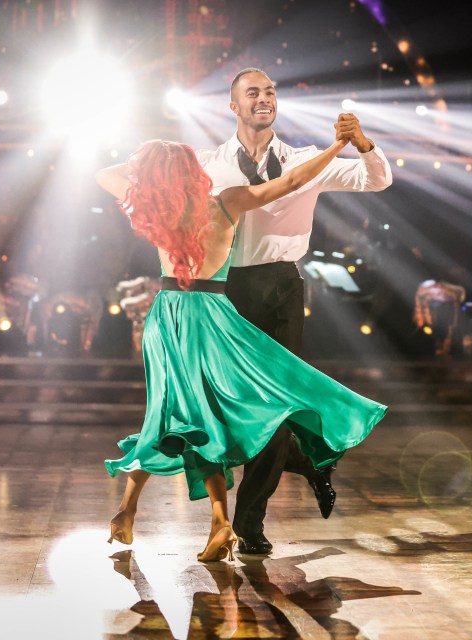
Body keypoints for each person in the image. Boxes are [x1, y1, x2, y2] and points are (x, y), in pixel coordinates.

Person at [95, 129, 386, 562]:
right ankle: (216, 521)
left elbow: (105, 173)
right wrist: (336, 147)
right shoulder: (225, 202)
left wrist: (153, 162)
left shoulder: (151, 204)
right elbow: (287, 183)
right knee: (199, 420)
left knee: (171, 417)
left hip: (166, 318)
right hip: (209, 316)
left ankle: (134, 512)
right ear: (194, 173)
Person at [196, 68, 393, 555]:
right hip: (223, 291)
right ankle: (308, 461)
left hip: (282, 287)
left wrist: (363, 143)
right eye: (252, 93)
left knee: (278, 411)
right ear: (233, 106)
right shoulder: (209, 164)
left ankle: (249, 522)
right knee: (227, 413)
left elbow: (377, 180)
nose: (263, 98)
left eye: (269, 92)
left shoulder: (308, 160)